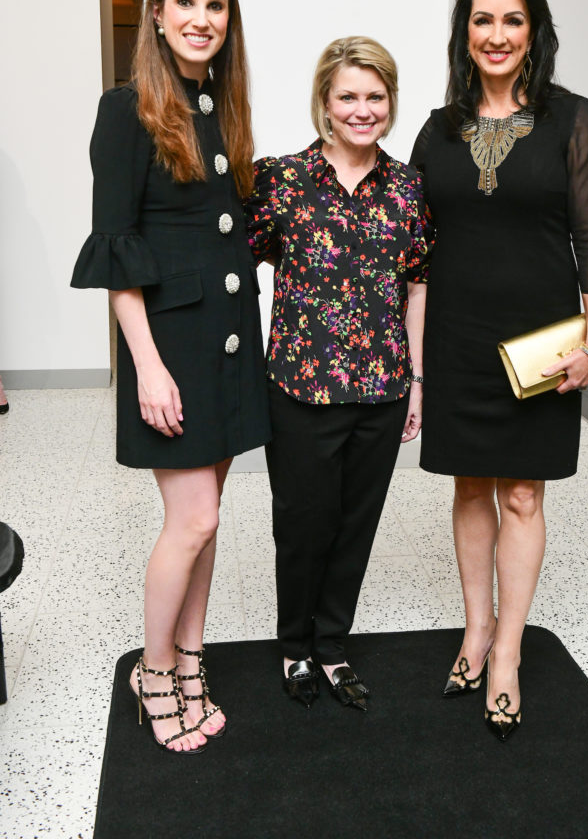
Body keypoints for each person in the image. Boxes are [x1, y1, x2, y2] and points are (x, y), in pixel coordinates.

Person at [71, 0, 270, 753]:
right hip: (172, 347)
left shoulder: (219, 105)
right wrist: (146, 367)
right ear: (156, 14)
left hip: (226, 342)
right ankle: (153, 671)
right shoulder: (127, 109)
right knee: (190, 520)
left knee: (209, 518)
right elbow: (117, 250)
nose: (200, 20)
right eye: (185, 3)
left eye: (215, 7)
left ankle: (191, 660)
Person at [410, 0, 588, 741]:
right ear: (464, 32)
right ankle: (473, 629)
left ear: (534, 32)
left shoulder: (572, 117)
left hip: (539, 340)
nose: (496, 35)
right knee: (468, 489)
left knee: (523, 494)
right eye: (482, 19)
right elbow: (414, 248)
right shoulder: (438, 127)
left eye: (512, 19)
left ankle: (508, 654)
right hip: (459, 335)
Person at [246, 37, 433, 711]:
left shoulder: (409, 187)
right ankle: (294, 645)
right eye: (348, 96)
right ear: (324, 103)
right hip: (299, 386)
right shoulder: (280, 179)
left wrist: (415, 381)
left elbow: (416, 284)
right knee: (302, 524)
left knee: (356, 523)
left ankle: (331, 646)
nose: (362, 110)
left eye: (374, 97)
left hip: (382, 389)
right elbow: (240, 264)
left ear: (389, 103)